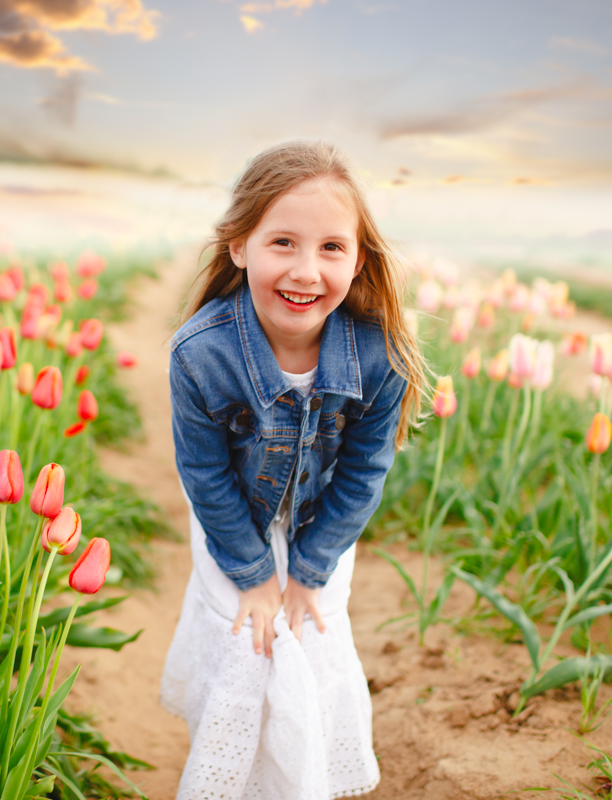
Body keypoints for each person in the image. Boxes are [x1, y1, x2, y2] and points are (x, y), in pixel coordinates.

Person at [160, 141, 427, 799]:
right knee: (244, 648)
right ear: (239, 246)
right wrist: (253, 576)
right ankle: (227, 774)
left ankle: (301, 782)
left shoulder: (379, 354)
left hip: (323, 523)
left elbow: (365, 470)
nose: (307, 269)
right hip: (232, 522)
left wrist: (308, 571)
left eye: (331, 248)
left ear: (357, 259)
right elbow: (203, 472)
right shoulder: (200, 354)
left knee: (309, 646)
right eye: (283, 242)